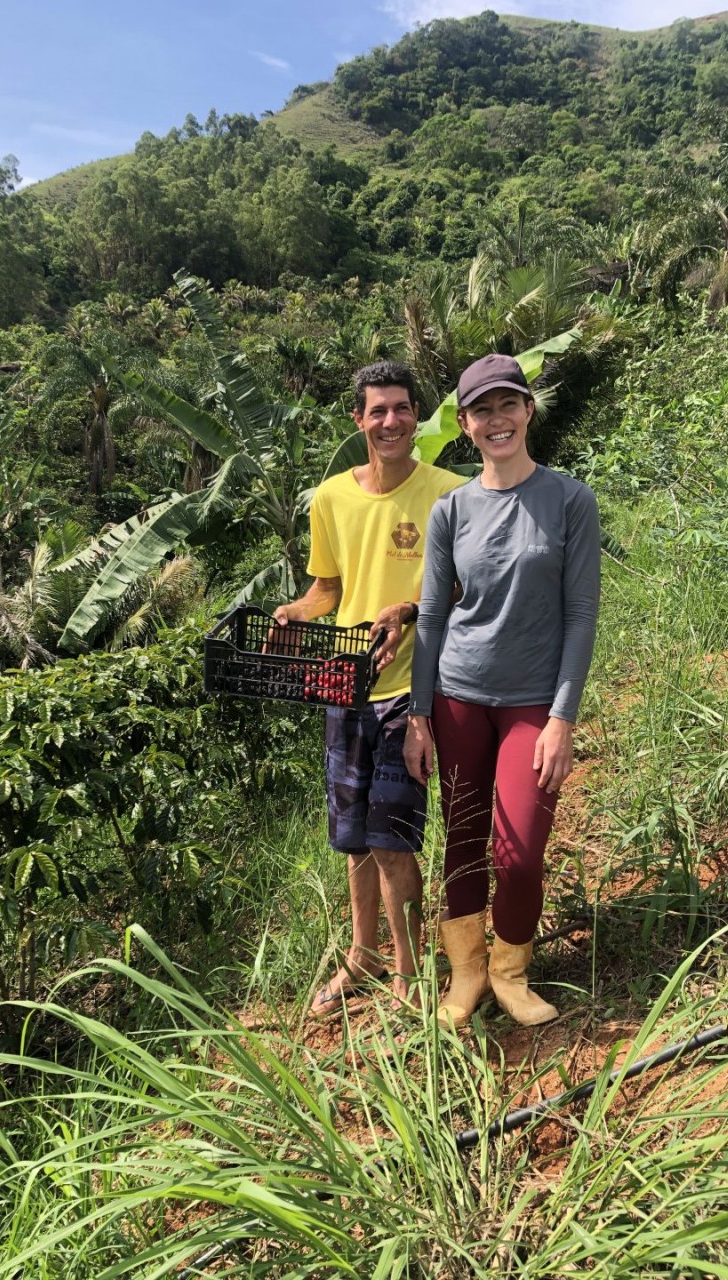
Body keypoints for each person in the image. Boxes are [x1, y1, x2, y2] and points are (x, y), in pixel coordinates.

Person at [403, 353, 600, 1028]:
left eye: (507, 405)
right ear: (463, 424)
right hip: (458, 696)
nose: (497, 420)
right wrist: (419, 715)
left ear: (528, 410)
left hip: (530, 705)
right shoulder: (451, 510)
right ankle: (467, 976)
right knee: (461, 838)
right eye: (482, 410)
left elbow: (581, 615)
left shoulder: (569, 499)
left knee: (517, 855)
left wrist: (561, 718)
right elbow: (431, 617)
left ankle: (511, 970)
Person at [273, 361, 463, 1015]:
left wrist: (408, 610)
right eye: (377, 411)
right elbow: (328, 589)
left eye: (402, 408)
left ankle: (410, 973)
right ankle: (363, 956)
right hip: (342, 684)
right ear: (357, 420)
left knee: (393, 838)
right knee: (352, 837)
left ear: (417, 416)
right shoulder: (330, 498)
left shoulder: (448, 493)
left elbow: (462, 585)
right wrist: (294, 614)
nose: (391, 421)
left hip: (410, 688)